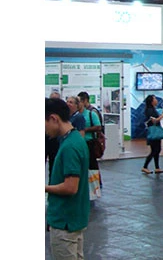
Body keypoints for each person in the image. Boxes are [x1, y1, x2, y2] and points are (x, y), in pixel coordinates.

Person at [45, 97, 90, 259]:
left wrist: (44, 188)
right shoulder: (75, 139)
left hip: (65, 221)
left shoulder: (69, 146)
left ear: (53, 118)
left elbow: (70, 187)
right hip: (74, 218)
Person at [142, 95, 163, 174]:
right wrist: (162, 116)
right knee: (155, 150)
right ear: (151, 101)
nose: (156, 100)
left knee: (157, 149)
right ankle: (145, 166)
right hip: (153, 131)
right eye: (154, 99)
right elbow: (154, 120)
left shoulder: (152, 109)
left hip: (154, 131)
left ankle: (157, 167)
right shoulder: (150, 110)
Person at [78, 91, 102, 174]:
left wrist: (85, 130)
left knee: (92, 164)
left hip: (90, 142)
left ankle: (95, 180)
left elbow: (98, 126)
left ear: (84, 101)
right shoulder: (76, 115)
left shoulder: (92, 112)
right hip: (81, 142)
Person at [46, 91, 62, 179]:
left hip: (55, 141)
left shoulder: (61, 114)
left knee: (54, 165)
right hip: (45, 140)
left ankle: (52, 183)